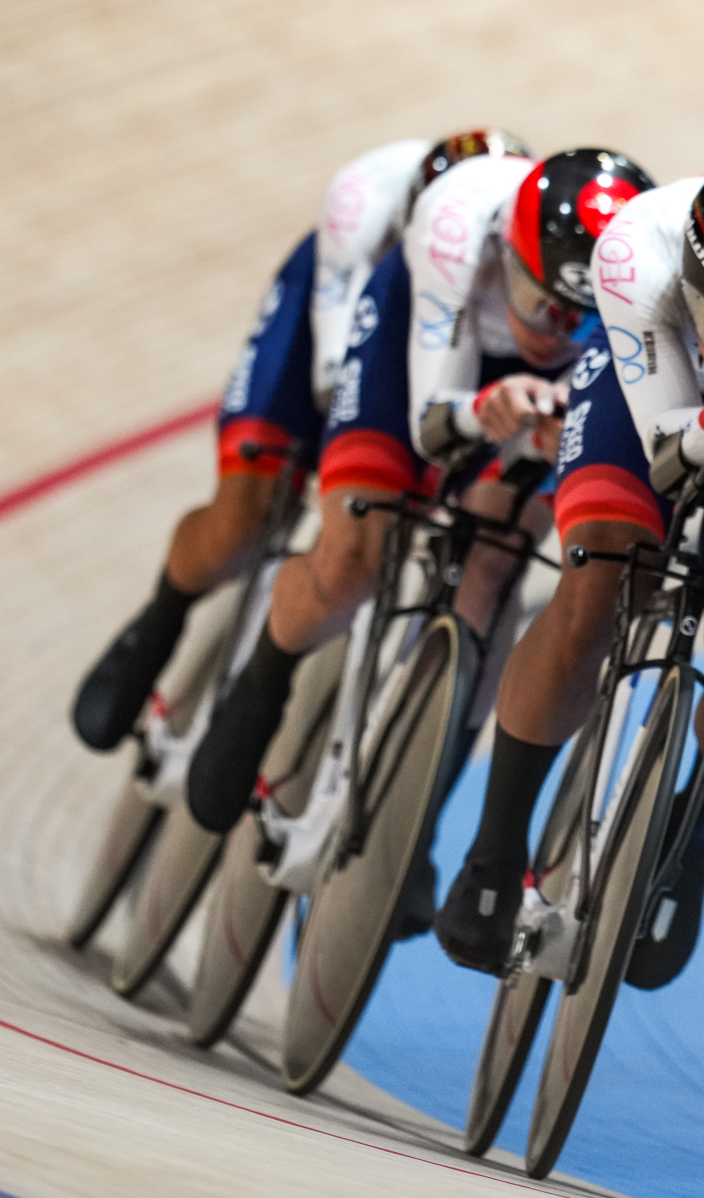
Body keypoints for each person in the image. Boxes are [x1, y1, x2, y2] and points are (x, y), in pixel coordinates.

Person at [433, 158, 704, 986]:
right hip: (650, 401)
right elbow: (667, 449)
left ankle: (688, 833)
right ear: (693, 286)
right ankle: (495, 851)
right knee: (600, 581)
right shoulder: (636, 254)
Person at [182, 148, 654, 852]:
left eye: (577, 317)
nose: (554, 328)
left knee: (498, 564)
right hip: (423, 343)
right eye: (542, 304)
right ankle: (264, 677)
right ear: (507, 254)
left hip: (533, 391)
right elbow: (431, 420)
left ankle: (417, 823)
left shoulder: (629, 288)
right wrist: (482, 409)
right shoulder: (455, 231)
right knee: (352, 560)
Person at [70, 130, 532, 752]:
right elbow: (334, 375)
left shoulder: (508, 261)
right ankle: (160, 620)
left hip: (461, 338)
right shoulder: (364, 204)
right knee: (240, 524)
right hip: (329, 322)